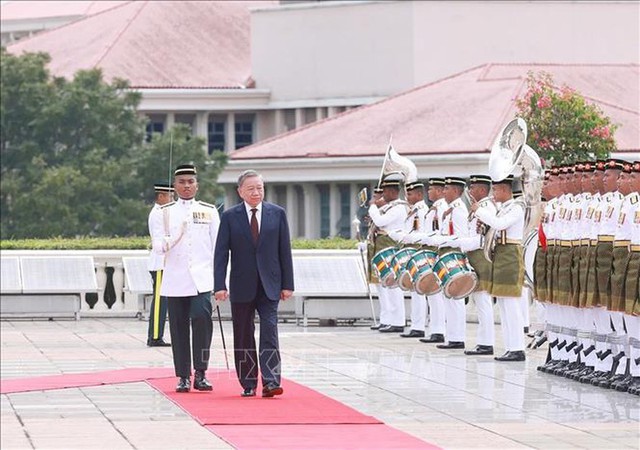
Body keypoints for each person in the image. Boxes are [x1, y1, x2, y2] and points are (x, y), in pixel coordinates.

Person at [214, 170, 294, 398]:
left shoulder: (277, 214)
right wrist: (219, 285)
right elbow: (221, 254)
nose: (256, 192)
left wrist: (287, 283)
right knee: (243, 334)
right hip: (241, 285)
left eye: (260, 187)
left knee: (270, 331)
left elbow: (284, 251)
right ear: (240, 192)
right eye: (251, 189)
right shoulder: (230, 217)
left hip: (270, 285)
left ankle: (271, 381)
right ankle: (248, 382)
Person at [149, 164, 220, 393]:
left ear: (197, 184)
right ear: (175, 185)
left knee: (202, 320)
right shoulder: (164, 211)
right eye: (182, 182)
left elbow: (218, 247)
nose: (187, 186)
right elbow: (157, 245)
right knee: (178, 328)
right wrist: (169, 240)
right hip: (175, 278)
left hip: (201, 278)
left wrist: (221, 281)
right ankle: (183, 376)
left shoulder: (209, 211)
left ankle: (201, 372)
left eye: (191, 182)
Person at [473, 175, 526, 361]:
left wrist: (480, 212)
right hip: (501, 254)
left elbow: (500, 224)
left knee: (511, 304)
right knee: (504, 304)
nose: (493, 194)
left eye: (495, 190)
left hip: (510, 254)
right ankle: (511, 346)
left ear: (505, 190)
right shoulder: (503, 208)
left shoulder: (517, 207)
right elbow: (494, 228)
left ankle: (518, 347)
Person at [456, 175, 497, 356]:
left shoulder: (486, 208)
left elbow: (483, 238)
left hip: (482, 257)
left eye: (473, 188)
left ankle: (486, 343)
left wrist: (462, 244)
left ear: (481, 190)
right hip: (474, 256)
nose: (470, 191)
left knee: (483, 301)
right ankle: (483, 341)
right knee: (480, 301)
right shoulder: (477, 208)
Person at [367, 172, 410, 333]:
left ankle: (398, 321)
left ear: (392, 192)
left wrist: (372, 206)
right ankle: (387, 319)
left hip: (391, 247)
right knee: (383, 285)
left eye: (384, 192)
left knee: (393, 286)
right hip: (382, 246)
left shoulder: (399, 208)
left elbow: (380, 221)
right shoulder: (389, 207)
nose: (382, 196)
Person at [146, 181, 174, 347]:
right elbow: (161, 239)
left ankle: (157, 334)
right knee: (159, 301)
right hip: (160, 262)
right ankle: (155, 336)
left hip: (164, 263)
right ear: (162, 196)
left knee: (163, 301)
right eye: (171, 196)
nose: (173, 199)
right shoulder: (158, 213)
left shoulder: (163, 212)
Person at [399, 180, 428, 338]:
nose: (407, 197)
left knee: (419, 291)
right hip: (412, 250)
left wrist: (404, 236)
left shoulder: (422, 210)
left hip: (418, 250)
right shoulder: (413, 210)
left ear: (418, 194)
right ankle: (416, 325)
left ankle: (419, 326)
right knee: (414, 291)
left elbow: (421, 233)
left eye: (410, 194)